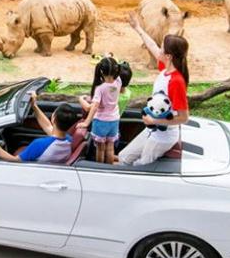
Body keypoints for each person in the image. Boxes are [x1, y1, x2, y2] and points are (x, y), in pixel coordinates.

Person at [118, 12, 190, 166]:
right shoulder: (166, 68)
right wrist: (138, 28)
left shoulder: (176, 81)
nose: (159, 49)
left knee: (140, 166)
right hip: (153, 130)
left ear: (169, 56)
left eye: (162, 48)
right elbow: (152, 46)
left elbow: (184, 118)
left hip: (163, 137)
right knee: (124, 157)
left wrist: (154, 120)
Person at [0, 92, 78, 163]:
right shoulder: (68, 140)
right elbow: (48, 126)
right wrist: (34, 106)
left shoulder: (40, 144)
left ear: (53, 118)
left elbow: (14, 160)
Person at [78, 57, 121, 164]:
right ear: (116, 70)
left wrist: (86, 122)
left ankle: (99, 168)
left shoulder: (100, 89)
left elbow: (93, 107)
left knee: (100, 149)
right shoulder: (118, 81)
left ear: (101, 71)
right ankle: (109, 168)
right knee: (110, 148)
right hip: (114, 120)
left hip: (101, 122)